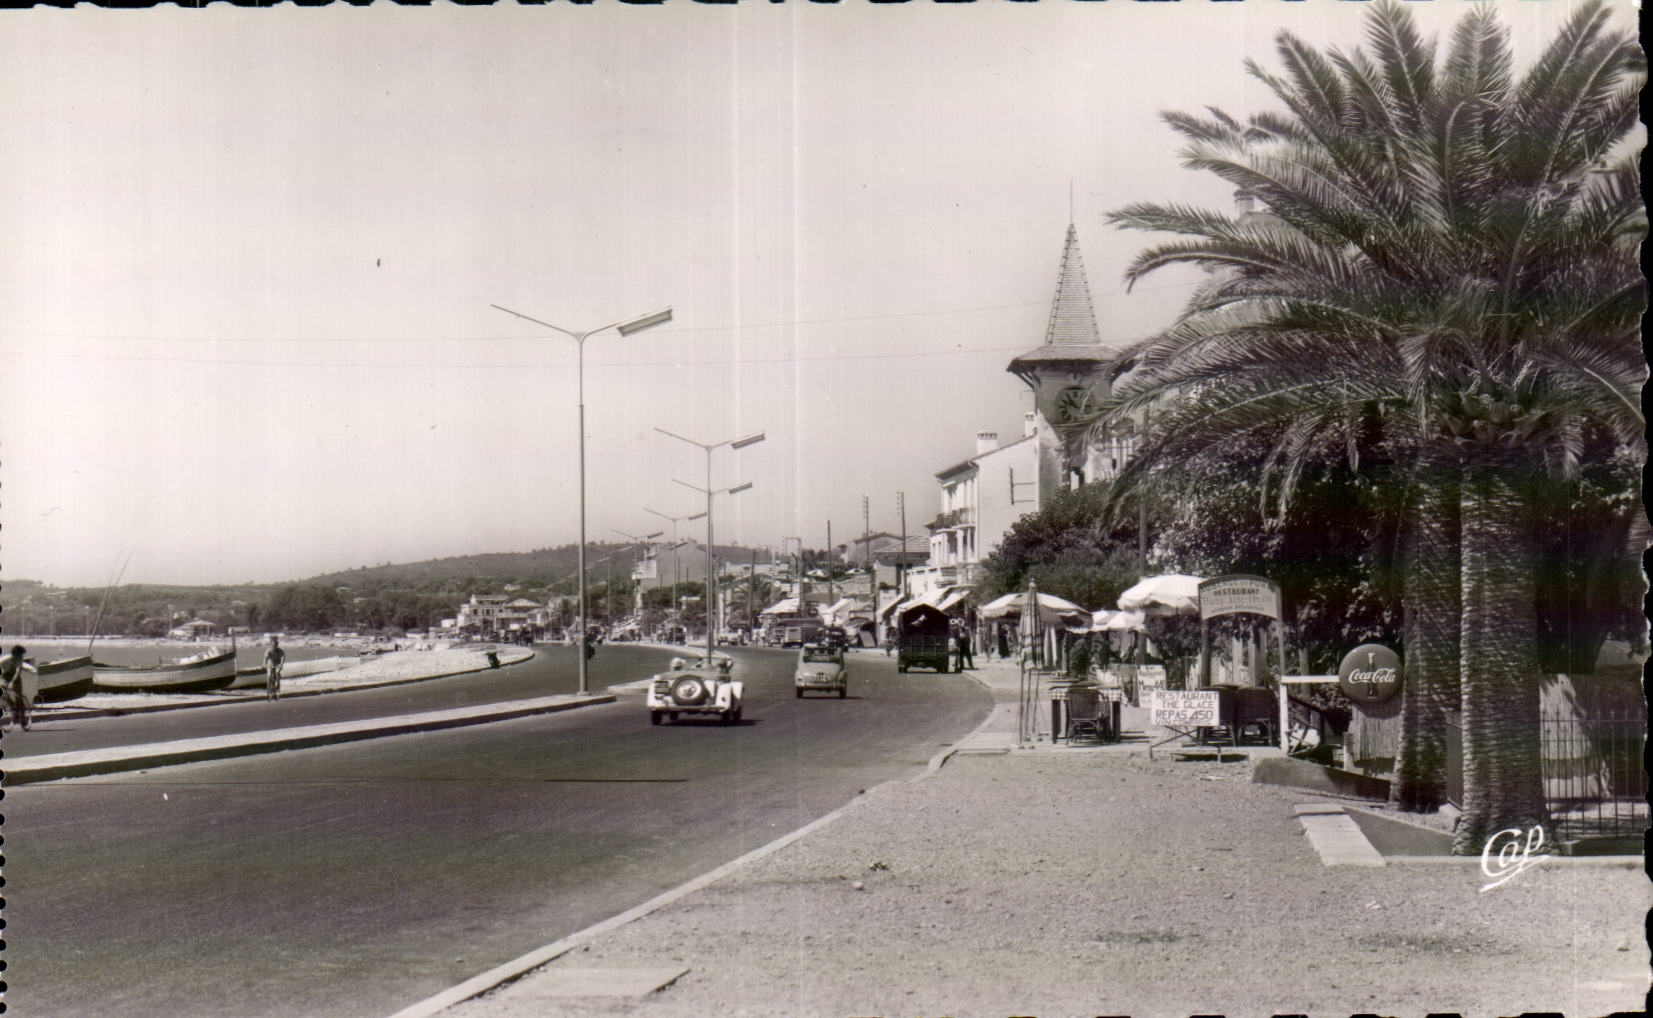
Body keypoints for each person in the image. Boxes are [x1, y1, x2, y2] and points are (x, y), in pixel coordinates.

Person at [2, 645, 38, 731]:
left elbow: (17, 673)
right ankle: (11, 705)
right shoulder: (4, 660)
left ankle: (23, 719)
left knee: (19, 697)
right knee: (3, 690)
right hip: (5, 676)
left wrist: (12, 683)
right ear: (15, 654)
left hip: (16, 679)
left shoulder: (19, 661)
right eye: (20, 655)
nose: (22, 657)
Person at [263, 636, 286, 702]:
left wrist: (281, 665)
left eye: (275, 645)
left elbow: (283, 658)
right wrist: (264, 664)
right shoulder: (268, 651)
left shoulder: (280, 651)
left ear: (277, 645)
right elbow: (265, 658)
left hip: (277, 665)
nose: (274, 647)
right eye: (272, 645)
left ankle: (277, 691)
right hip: (270, 665)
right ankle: (269, 692)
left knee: (277, 674)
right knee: (269, 676)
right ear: (271, 645)